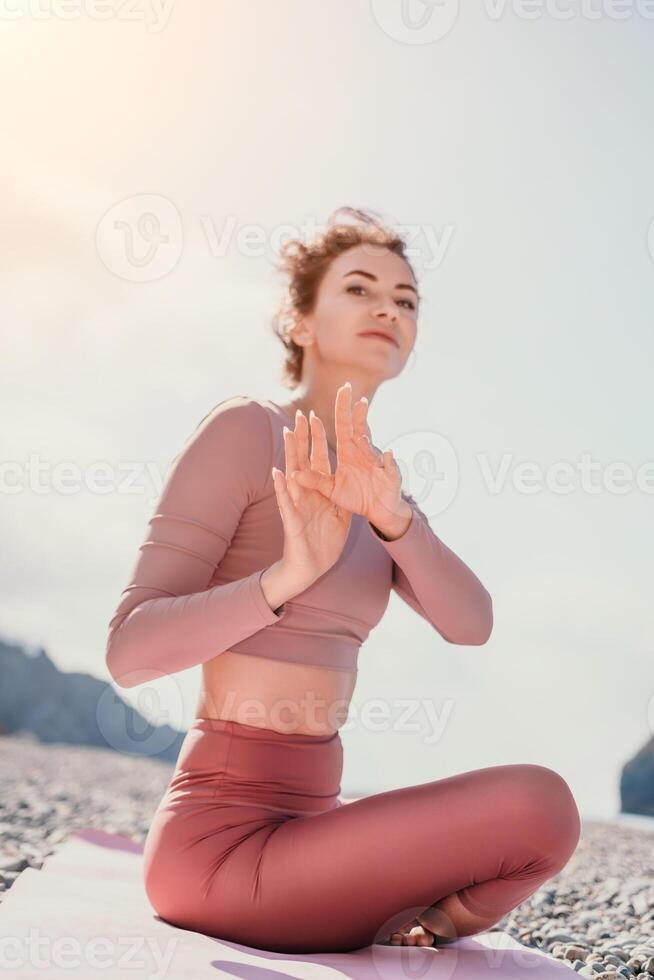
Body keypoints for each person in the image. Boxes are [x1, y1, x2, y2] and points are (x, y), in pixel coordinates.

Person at [105, 207, 581, 954]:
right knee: (535, 803)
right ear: (300, 323)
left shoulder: (377, 485)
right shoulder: (246, 431)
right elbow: (129, 653)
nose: (388, 307)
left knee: (546, 809)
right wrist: (289, 576)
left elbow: (472, 624)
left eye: (407, 298)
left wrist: (395, 520)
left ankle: (425, 925)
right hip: (217, 846)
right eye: (359, 288)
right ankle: (368, 913)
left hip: (312, 830)